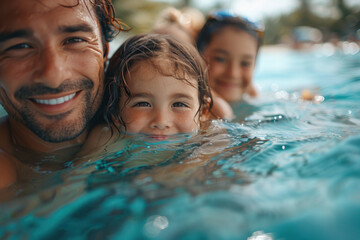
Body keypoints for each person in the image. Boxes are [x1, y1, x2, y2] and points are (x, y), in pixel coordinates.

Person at [0, 0, 127, 189]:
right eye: (20, 46)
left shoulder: (161, 125)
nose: (53, 77)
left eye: (74, 40)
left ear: (105, 51)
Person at [197, 10, 264, 116]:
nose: (233, 73)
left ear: (255, 65)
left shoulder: (255, 99)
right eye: (220, 59)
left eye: (245, 63)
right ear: (198, 57)